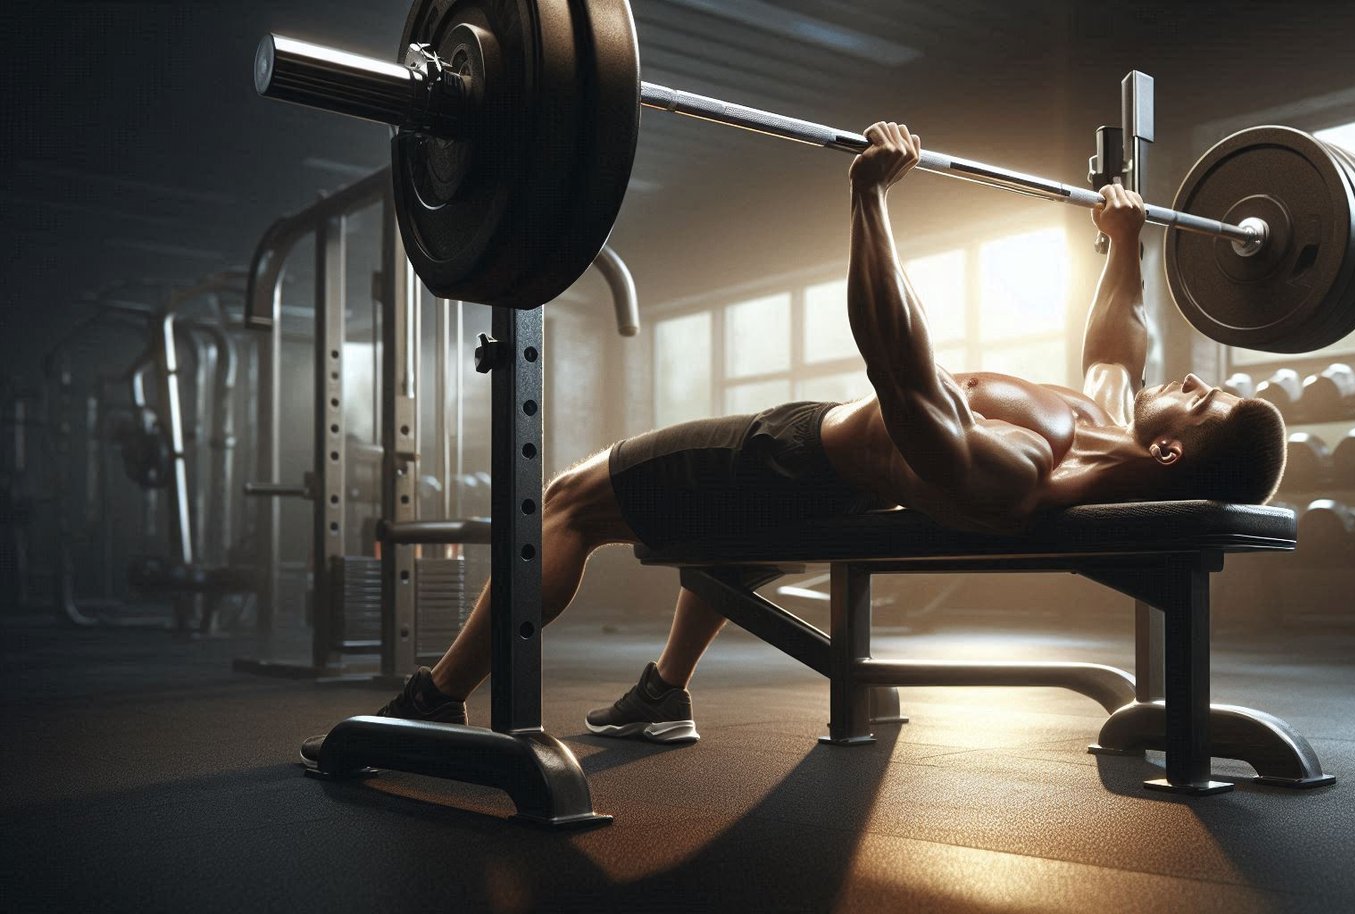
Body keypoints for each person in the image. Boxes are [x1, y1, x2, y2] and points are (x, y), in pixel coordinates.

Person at [301, 122, 1286, 764]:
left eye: (1200, 402)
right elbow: (1120, 338)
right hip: (825, 490)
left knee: (566, 499)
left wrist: (870, 197)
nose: (1194, 379)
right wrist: (1125, 242)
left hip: (794, 459)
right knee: (715, 544)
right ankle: (661, 692)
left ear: (1169, 457)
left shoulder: (1023, 470)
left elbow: (897, 370)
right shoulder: (1103, 420)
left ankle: (434, 703)